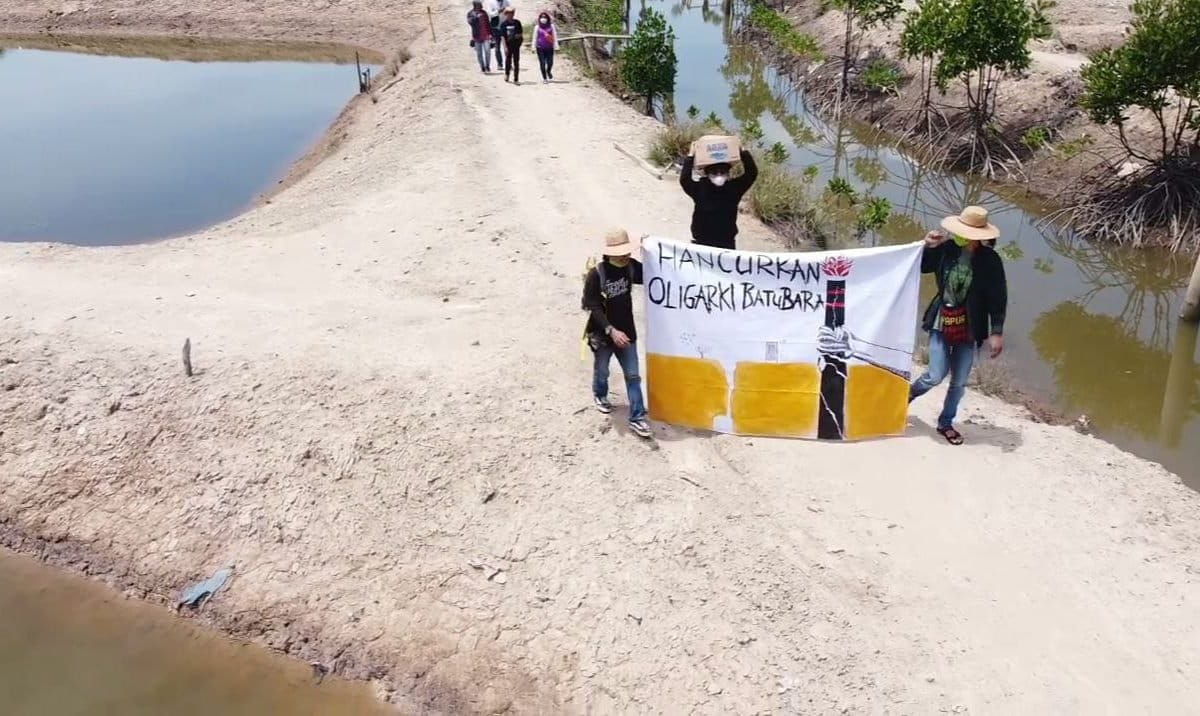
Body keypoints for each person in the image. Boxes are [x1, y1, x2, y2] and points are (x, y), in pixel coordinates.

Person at [909, 205, 1008, 445]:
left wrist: (996, 332)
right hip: (942, 318)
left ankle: (946, 422)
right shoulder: (946, 249)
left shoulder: (990, 261)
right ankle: (907, 395)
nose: (958, 235)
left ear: (977, 236)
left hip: (971, 325)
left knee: (960, 381)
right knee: (935, 375)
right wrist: (928, 246)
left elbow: (998, 297)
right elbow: (921, 267)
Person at [582, 229, 652, 439]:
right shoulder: (597, 274)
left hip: (628, 332)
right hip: (602, 335)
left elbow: (652, 273)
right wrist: (611, 330)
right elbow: (592, 305)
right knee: (602, 370)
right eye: (620, 253)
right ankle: (600, 394)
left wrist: (651, 250)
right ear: (609, 253)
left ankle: (637, 418)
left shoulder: (631, 267)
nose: (625, 256)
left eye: (627, 252)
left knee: (633, 376)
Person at [679, 148, 758, 250]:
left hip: (726, 243)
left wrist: (743, 152)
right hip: (701, 242)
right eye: (714, 172)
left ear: (728, 174)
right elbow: (685, 180)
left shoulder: (734, 189)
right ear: (707, 174)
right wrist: (691, 156)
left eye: (722, 172)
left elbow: (751, 173)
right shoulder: (699, 189)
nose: (719, 175)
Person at [498, 7, 525, 85]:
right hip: (508, 45)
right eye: (508, 13)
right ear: (506, 14)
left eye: (512, 13)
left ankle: (516, 78)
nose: (510, 15)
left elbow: (521, 33)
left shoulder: (517, 22)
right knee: (508, 61)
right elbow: (503, 36)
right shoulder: (504, 24)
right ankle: (507, 74)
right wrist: (505, 47)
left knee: (516, 62)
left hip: (516, 45)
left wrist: (517, 36)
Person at [466, 1, 492, 73]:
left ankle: (487, 66)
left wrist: (491, 34)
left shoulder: (484, 12)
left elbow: (488, 23)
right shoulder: (470, 13)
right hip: (477, 36)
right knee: (479, 53)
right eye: (479, 5)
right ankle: (482, 67)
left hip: (486, 35)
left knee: (487, 51)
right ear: (475, 5)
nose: (480, 6)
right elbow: (470, 22)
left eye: (480, 5)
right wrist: (476, 17)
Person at [534, 11, 559, 82]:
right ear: (539, 18)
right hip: (540, 48)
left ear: (547, 18)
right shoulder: (537, 27)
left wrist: (556, 46)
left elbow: (555, 36)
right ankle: (544, 78)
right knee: (542, 63)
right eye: (542, 17)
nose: (543, 19)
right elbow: (535, 38)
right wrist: (533, 47)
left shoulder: (551, 26)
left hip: (549, 47)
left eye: (545, 17)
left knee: (550, 62)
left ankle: (548, 71)